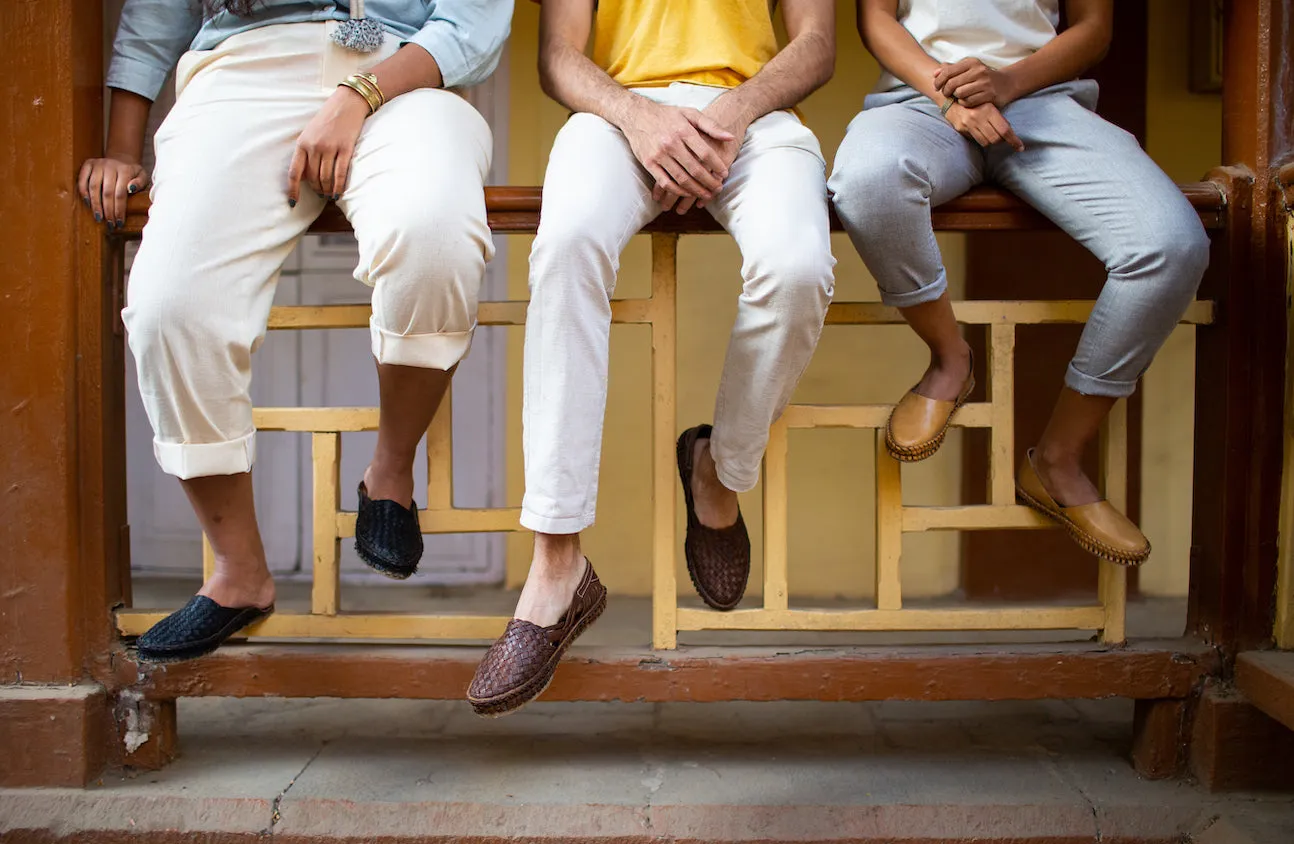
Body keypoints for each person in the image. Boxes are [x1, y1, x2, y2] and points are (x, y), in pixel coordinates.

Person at [79, 0, 513, 663]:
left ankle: (390, 471)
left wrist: (359, 94)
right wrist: (118, 148)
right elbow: (152, 18)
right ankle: (238, 571)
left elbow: (474, 23)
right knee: (170, 302)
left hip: (405, 71)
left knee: (435, 234)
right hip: (242, 69)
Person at [467, 0, 837, 717]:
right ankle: (557, 562)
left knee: (797, 267)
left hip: (754, 117)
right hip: (617, 116)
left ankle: (719, 470)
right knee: (567, 243)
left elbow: (817, 44)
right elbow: (559, 56)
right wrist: (640, 119)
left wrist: (735, 110)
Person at [829, 0, 1208, 565]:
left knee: (1171, 245)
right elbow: (875, 19)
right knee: (867, 182)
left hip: (1045, 103)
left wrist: (1006, 82)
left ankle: (1056, 459)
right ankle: (950, 359)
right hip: (918, 103)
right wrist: (947, 96)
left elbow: (1093, 28)